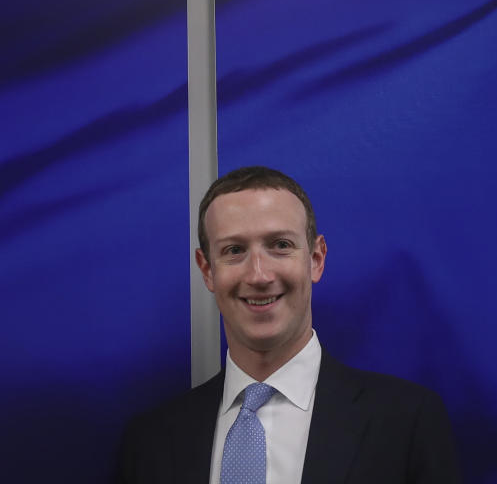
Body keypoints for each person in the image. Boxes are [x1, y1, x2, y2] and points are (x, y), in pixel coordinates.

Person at [118, 166, 461, 483]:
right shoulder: (149, 442)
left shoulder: (407, 422)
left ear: (316, 259)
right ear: (207, 270)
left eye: (280, 245)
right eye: (235, 250)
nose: (259, 275)